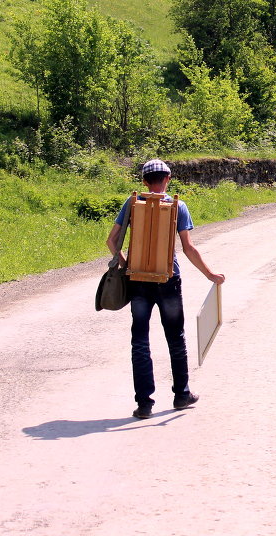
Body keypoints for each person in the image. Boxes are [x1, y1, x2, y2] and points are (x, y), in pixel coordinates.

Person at [106, 159, 225, 419]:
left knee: (140, 341)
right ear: (168, 178)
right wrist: (210, 275)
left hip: (138, 281)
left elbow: (111, 240)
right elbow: (189, 248)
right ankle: (181, 395)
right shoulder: (177, 206)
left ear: (144, 181)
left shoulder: (131, 203)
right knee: (175, 338)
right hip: (168, 280)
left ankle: (144, 404)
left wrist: (128, 266)